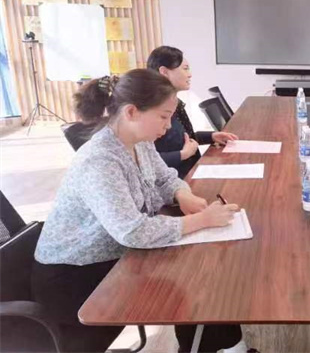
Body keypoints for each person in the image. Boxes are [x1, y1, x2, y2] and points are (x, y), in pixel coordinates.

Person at [32, 70, 243, 353]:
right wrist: (202, 220)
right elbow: (132, 231)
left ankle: (218, 347)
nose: (168, 126)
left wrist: (183, 195)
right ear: (131, 112)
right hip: (75, 279)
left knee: (203, 272)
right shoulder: (100, 160)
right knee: (193, 284)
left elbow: (165, 178)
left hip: (116, 256)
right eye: (163, 116)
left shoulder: (139, 142)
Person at [147, 46, 238, 178]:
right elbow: (143, 160)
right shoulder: (151, 110)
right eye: (185, 69)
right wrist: (182, 155)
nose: (190, 74)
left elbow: (184, 138)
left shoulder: (174, 102)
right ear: (164, 72)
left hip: (193, 172)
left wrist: (212, 136)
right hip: (176, 180)